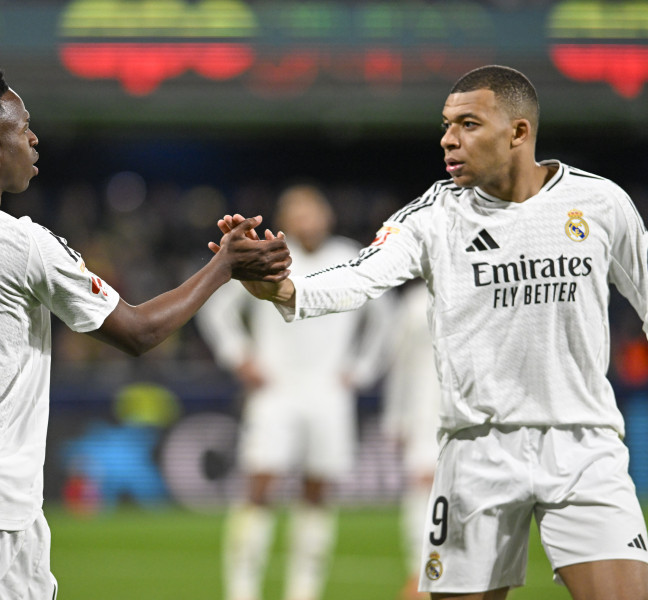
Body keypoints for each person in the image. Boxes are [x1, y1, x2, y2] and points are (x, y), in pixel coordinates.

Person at [0, 62, 290, 599]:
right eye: (22, 128)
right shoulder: (21, 243)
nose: (34, 139)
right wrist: (224, 265)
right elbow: (139, 332)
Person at [219, 65, 648, 600]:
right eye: (446, 124)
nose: (448, 138)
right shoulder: (433, 215)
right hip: (477, 453)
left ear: (518, 132)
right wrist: (287, 291)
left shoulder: (600, 203)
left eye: (468, 124)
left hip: (584, 445)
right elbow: (361, 274)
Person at [197, 184, 389, 600]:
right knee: (260, 486)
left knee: (318, 490)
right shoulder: (269, 256)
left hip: (329, 393)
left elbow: (383, 316)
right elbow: (217, 311)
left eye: (313, 211)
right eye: (297, 212)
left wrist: (361, 370)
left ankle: (304, 591)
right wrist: (240, 357)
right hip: (276, 390)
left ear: (327, 216)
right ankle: (242, 590)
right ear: (286, 219)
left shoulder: (348, 255)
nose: (307, 220)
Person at [378, 281, 441, 600]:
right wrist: (397, 419)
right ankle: (421, 573)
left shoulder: (483, 284)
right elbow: (399, 364)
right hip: (423, 413)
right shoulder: (416, 304)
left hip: (475, 414)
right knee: (423, 488)